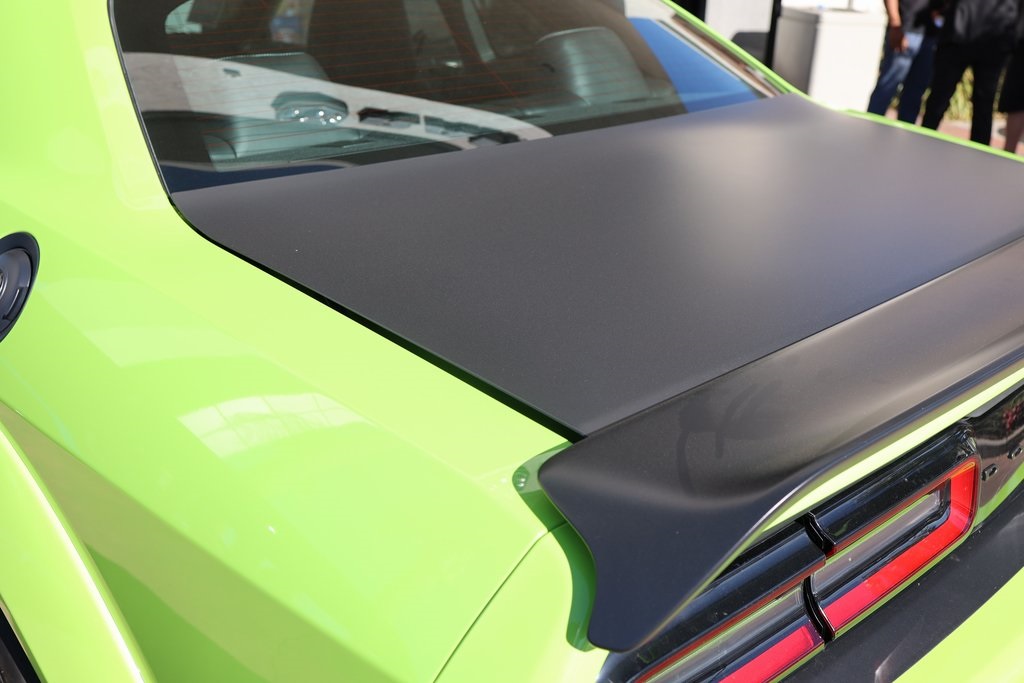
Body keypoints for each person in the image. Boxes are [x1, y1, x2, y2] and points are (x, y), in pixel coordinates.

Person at [921, 0, 1019, 145]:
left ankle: (924, 141)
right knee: (943, 98)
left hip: (977, 36)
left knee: (979, 103)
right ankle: (923, 140)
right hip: (972, 35)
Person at [867, 0, 943, 122]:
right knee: (887, 87)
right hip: (905, 31)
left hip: (929, 35)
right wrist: (895, 24)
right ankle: (870, 125)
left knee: (914, 94)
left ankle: (905, 131)